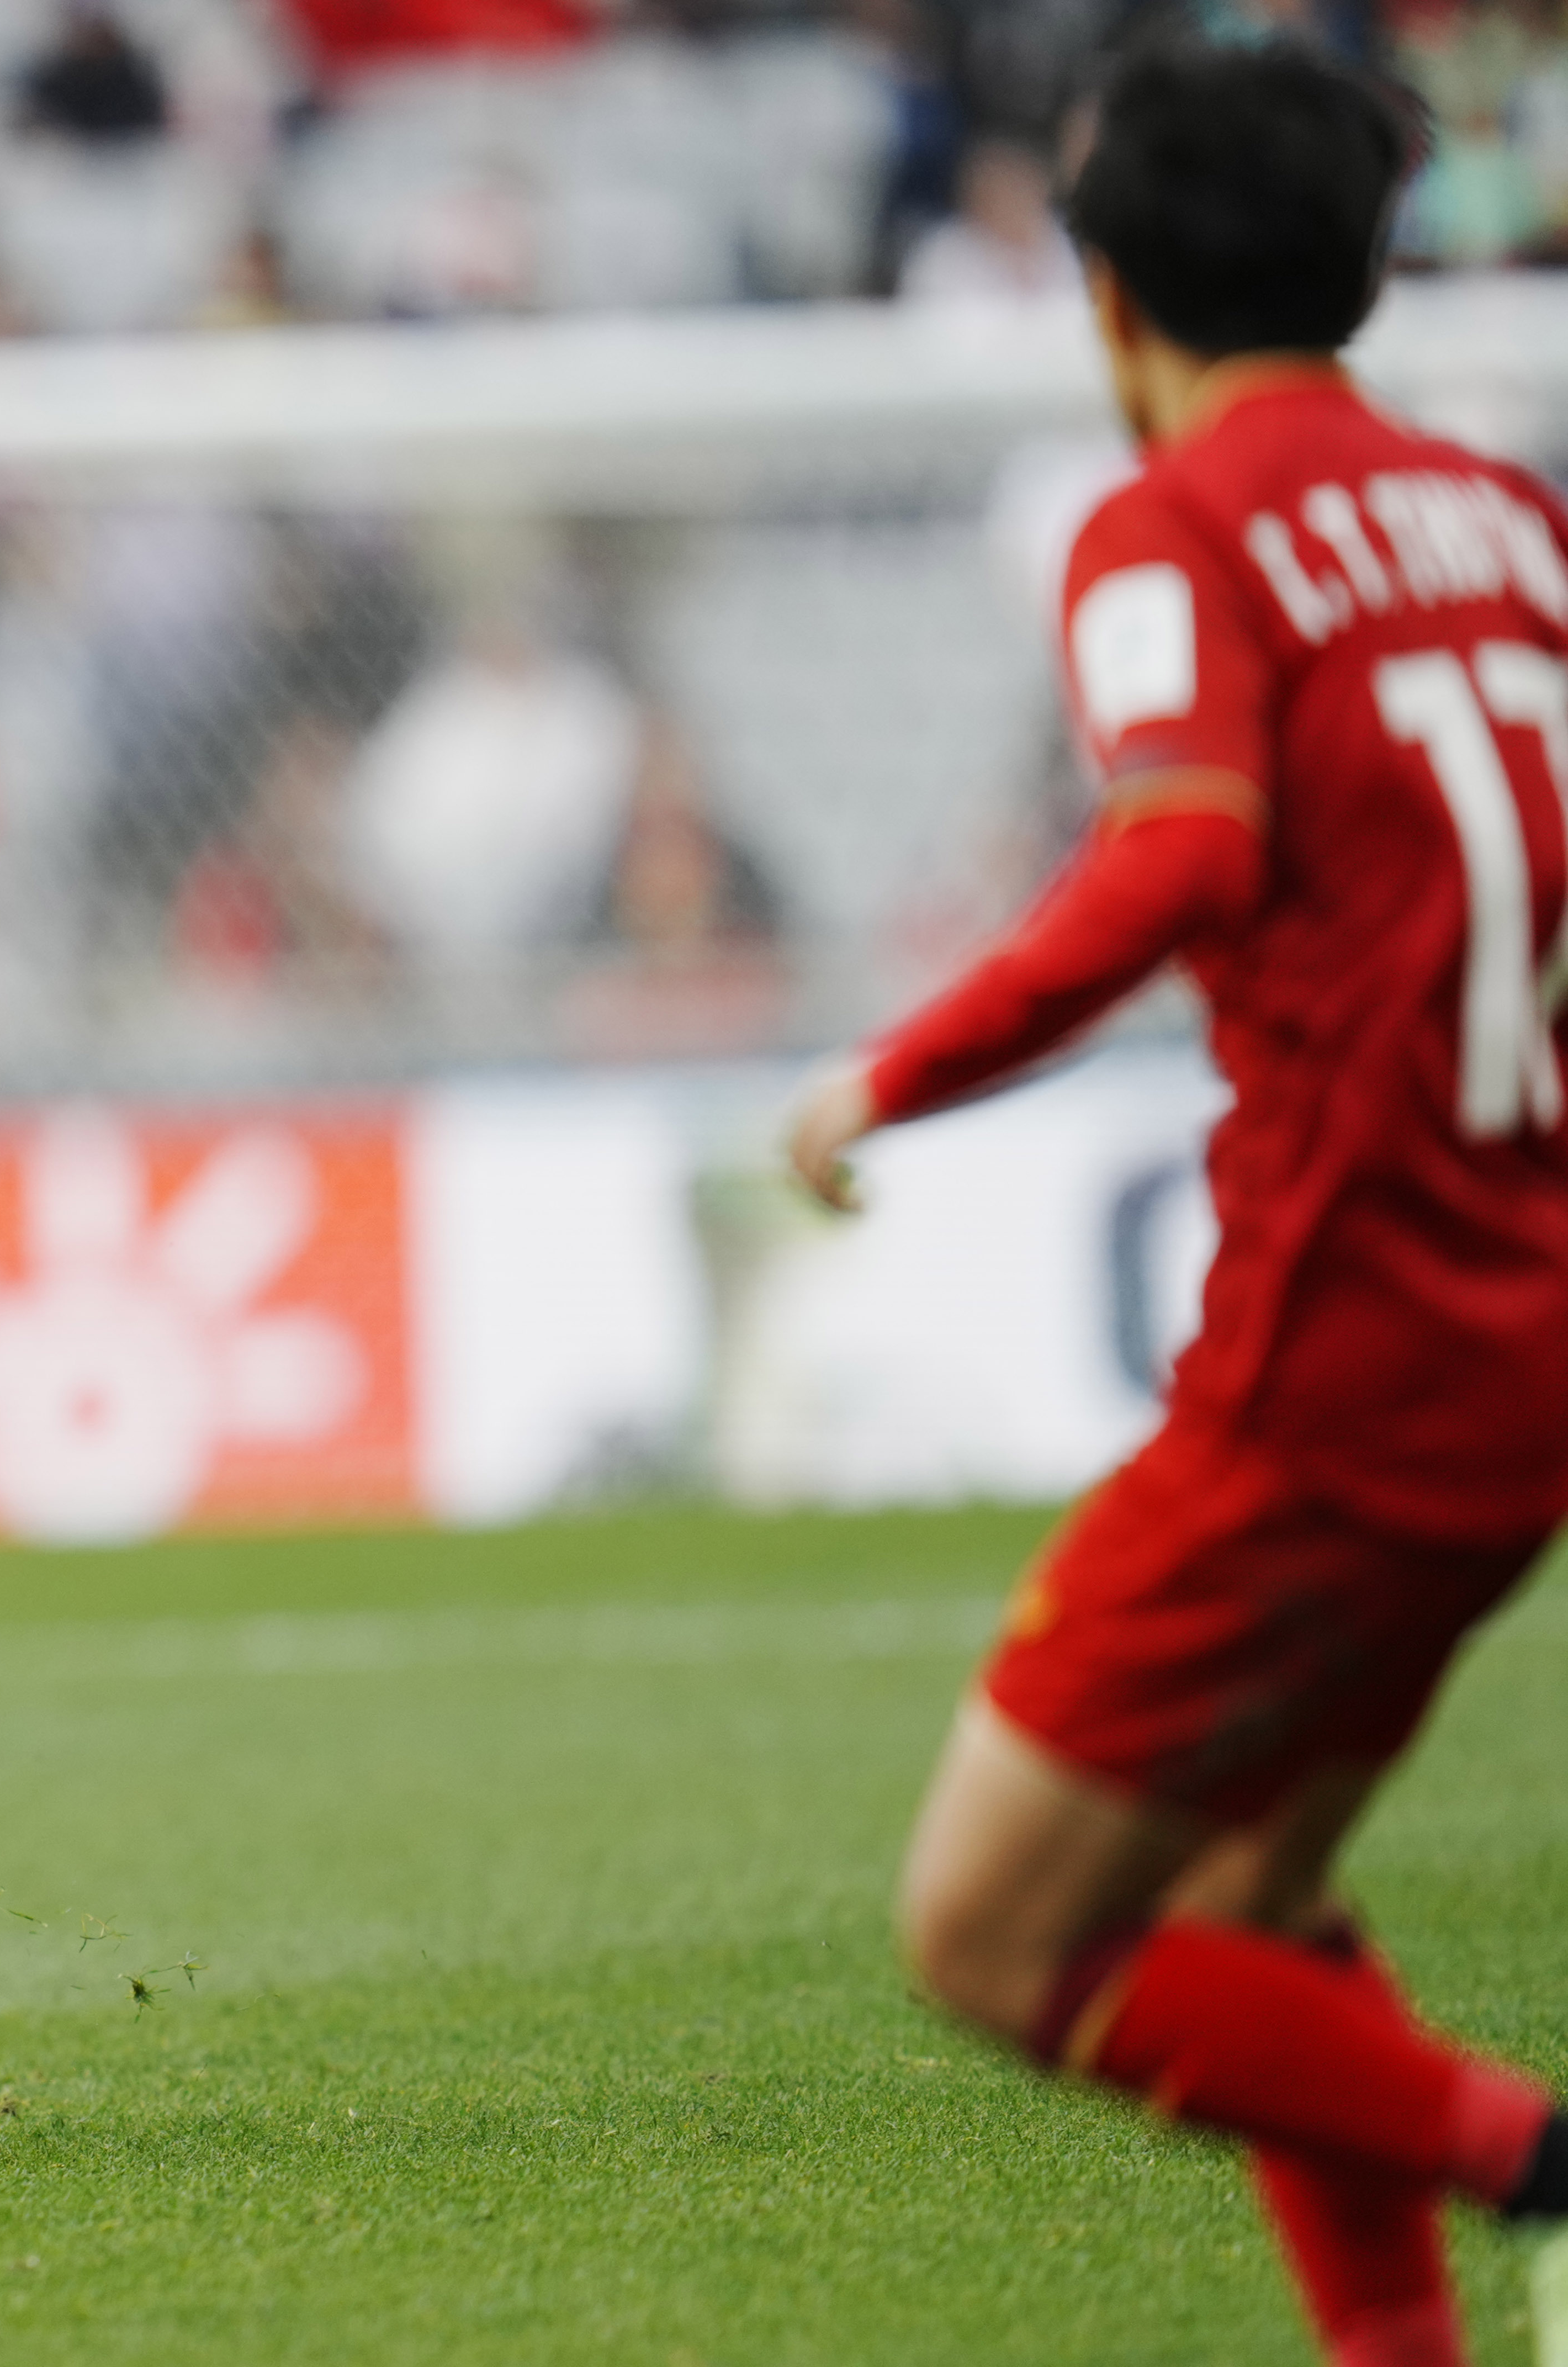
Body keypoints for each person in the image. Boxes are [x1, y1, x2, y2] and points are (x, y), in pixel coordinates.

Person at [783, 46, 1568, 2366]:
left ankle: (1537, 2162)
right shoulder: (1502, 521)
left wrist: (886, 1076)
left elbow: (1183, 842)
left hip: (1339, 1354)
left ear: (1104, 297)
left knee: (992, 1934)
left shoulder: (1174, 523)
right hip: (1522, 1329)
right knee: (1246, 1890)